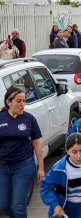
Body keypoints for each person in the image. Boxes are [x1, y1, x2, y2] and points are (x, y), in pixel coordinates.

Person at [0, 87, 45, 217]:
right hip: (2, 167)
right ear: (9, 102)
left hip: (24, 166)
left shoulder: (29, 119)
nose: (22, 104)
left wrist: (41, 167)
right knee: (3, 205)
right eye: (18, 101)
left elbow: (37, 144)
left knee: (19, 204)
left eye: (24, 101)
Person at [40, 133, 81, 218]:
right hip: (65, 204)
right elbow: (46, 188)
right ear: (67, 151)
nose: (78, 156)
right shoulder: (59, 168)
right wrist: (55, 204)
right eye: (74, 152)